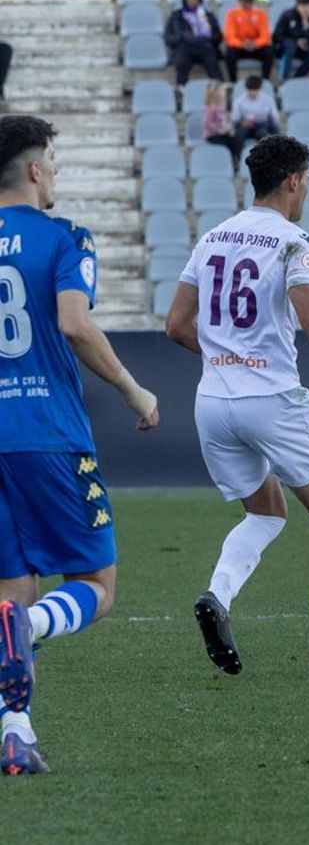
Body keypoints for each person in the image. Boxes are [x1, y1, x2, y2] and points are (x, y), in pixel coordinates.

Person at [162, 135, 309, 678]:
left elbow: (175, 324)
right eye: (308, 181)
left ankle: (218, 595)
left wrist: (226, 356)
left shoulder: (214, 236)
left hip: (212, 402)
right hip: (270, 398)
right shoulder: (296, 242)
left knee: (266, 512)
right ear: (294, 180)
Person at [0, 115, 161, 775]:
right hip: (48, 435)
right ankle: (29, 632)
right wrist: (132, 389)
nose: (57, 172)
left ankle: (16, 732)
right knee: (95, 584)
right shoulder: (65, 236)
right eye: (55, 162)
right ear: (36, 170)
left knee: (9, 593)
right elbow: (74, 320)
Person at [164, 0, 223, 87]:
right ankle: (181, 93)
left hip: (205, 47)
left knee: (213, 64)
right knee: (182, 62)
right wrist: (182, 37)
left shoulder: (207, 15)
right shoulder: (176, 16)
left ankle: (218, 93)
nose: (192, 0)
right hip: (185, 47)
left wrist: (207, 39)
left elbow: (218, 36)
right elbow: (169, 38)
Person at [222, 0, 273, 83]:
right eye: (244, 2)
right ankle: (233, 82)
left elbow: (265, 36)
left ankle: (265, 81)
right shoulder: (232, 14)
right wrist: (241, 44)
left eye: (249, 2)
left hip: (255, 47)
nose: (246, 5)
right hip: (239, 47)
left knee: (268, 51)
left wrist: (255, 44)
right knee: (229, 52)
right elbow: (229, 36)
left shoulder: (260, 14)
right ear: (239, 1)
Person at [273, 0, 309, 80]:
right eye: (303, 6)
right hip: (286, 48)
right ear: (297, 5)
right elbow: (277, 36)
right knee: (291, 47)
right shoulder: (288, 15)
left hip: (303, 49)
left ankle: (297, 78)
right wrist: (296, 41)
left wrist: (306, 28)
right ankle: (283, 78)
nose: (306, 9)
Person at [230, 76, 280, 150]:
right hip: (246, 127)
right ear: (247, 89)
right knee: (239, 135)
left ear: (259, 89)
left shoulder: (268, 99)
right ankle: (237, 156)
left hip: (263, 126)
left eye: (255, 90)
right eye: (250, 90)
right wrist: (241, 123)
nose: (253, 93)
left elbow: (274, 117)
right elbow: (235, 119)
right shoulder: (239, 101)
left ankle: (266, 157)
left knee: (264, 135)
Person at [201, 82, 240, 168]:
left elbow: (224, 120)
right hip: (212, 135)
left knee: (234, 142)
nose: (224, 93)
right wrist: (219, 130)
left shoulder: (222, 106)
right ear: (216, 95)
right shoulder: (210, 108)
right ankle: (229, 164)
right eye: (222, 92)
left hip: (222, 132)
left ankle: (236, 161)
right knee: (225, 145)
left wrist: (227, 127)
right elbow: (208, 124)